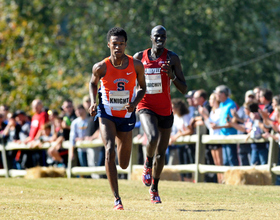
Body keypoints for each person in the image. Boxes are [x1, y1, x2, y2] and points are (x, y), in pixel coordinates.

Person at [88, 27, 146, 210]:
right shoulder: (101, 67)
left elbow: (142, 88)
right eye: (114, 44)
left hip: (126, 114)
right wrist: (93, 102)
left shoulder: (136, 65)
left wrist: (134, 102)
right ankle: (117, 199)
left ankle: (119, 176)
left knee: (123, 162)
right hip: (106, 113)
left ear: (126, 45)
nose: (118, 47)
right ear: (108, 45)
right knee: (109, 149)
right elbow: (92, 83)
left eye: (121, 44)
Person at [133, 25, 187, 203]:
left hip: (165, 109)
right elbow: (129, 80)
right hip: (145, 105)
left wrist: (172, 75)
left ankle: (154, 189)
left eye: (163, 36)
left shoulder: (172, 58)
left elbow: (184, 89)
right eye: (157, 36)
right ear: (151, 37)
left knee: (161, 153)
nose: (160, 39)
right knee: (152, 136)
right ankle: (147, 164)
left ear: (166, 38)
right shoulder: (139, 57)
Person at [198, 93, 223, 183]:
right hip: (212, 138)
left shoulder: (220, 110)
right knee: (216, 162)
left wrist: (205, 115)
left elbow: (214, 125)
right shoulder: (213, 111)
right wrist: (205, 116)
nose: (209, 101)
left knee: (220, 162)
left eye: (212, 99)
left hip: (219, 138)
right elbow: (210, 126)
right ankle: (220, 180)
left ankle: (222, 180)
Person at [213, 85, 238, 166]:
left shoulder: (231, 104)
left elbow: (231, 123)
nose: (215, 95)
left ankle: (234, 179)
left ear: (223, 94)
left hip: (230, 136)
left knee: (231, 159)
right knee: (226, 161)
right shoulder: (222, 104)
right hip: (223, 136)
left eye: (216, 93)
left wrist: (217, 127)